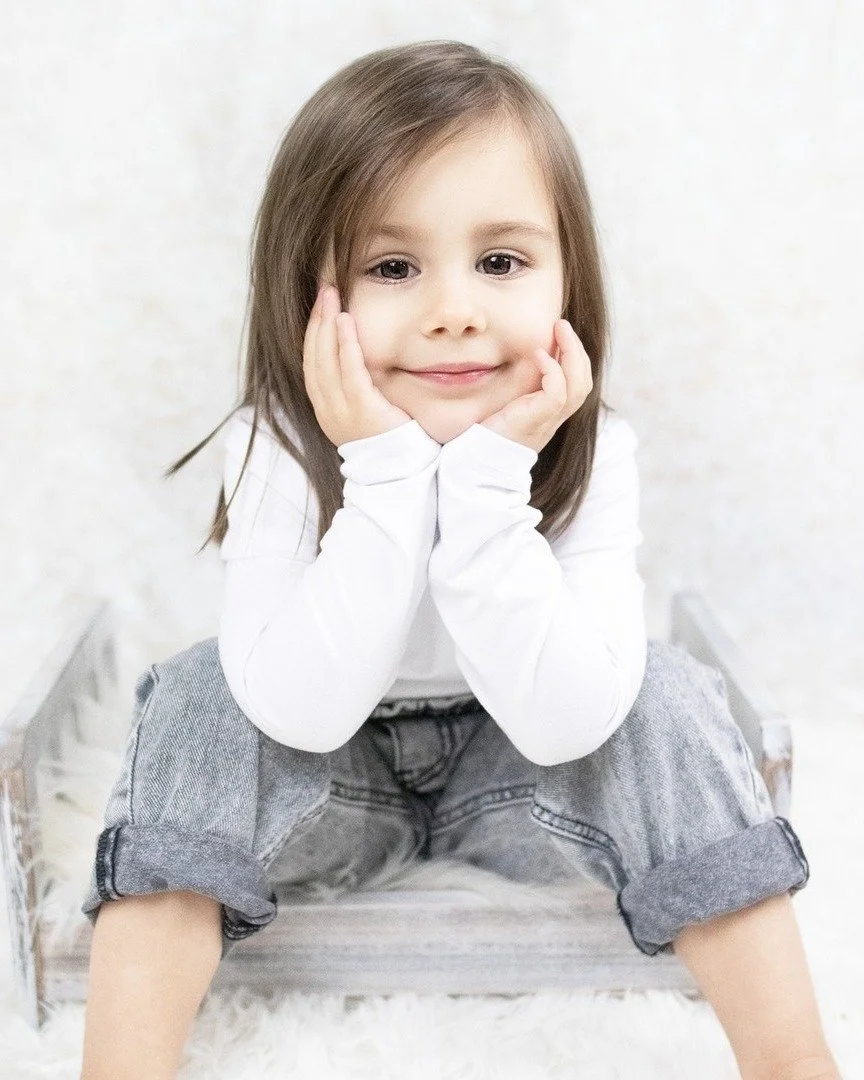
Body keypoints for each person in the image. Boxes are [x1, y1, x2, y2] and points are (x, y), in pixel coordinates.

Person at [77, 39, 840, 1080]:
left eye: (503, 262)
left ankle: (794, 1063)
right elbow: (294, 711)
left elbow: (574, 718)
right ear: (312, 294)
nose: (455, 309)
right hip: (329, 790)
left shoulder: (590, 447)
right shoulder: (273, 448)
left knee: (666, 695)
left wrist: (488, 489)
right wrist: (383, 475)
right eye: (394, 268)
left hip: (522, 785)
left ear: (568, 276)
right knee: (199, 695)